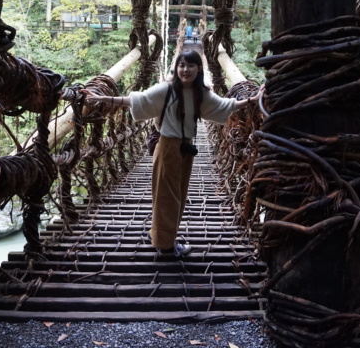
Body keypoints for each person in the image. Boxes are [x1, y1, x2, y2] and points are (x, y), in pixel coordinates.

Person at [85, 50, 264, 258]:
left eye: (190, 65)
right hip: (168, 146)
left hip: (185, 149)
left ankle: (160, 235)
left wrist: (253, 100)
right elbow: (135, 100)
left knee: (176, 194)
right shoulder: (166, 90)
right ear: (175, 68)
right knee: (167, 196)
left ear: (199, 69)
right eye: (181, 65)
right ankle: (166, 246)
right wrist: (101, 98)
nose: (185, 70)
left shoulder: (201, 93)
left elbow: (226, 105)